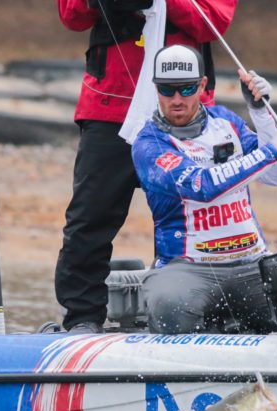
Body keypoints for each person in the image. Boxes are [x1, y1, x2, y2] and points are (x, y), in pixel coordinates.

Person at [55, 0, 237, 334]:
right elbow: (71, 14)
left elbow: (214, 20)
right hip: (110, 107)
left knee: (195, 221)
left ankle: (198, 317)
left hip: (184, 110)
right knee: (90, 217)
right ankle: (82, 319)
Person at [132, 44, 277, 334]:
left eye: (187, 89)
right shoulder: (148, 144)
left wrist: (261, 113)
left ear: (202, 85)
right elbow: (201, 186)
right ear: (156, 88)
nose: (177, 99)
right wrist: (272, 151)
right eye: (167, 90)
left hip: (251, 262)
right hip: (188, 269)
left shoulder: (226, 121)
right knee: (167, 304)